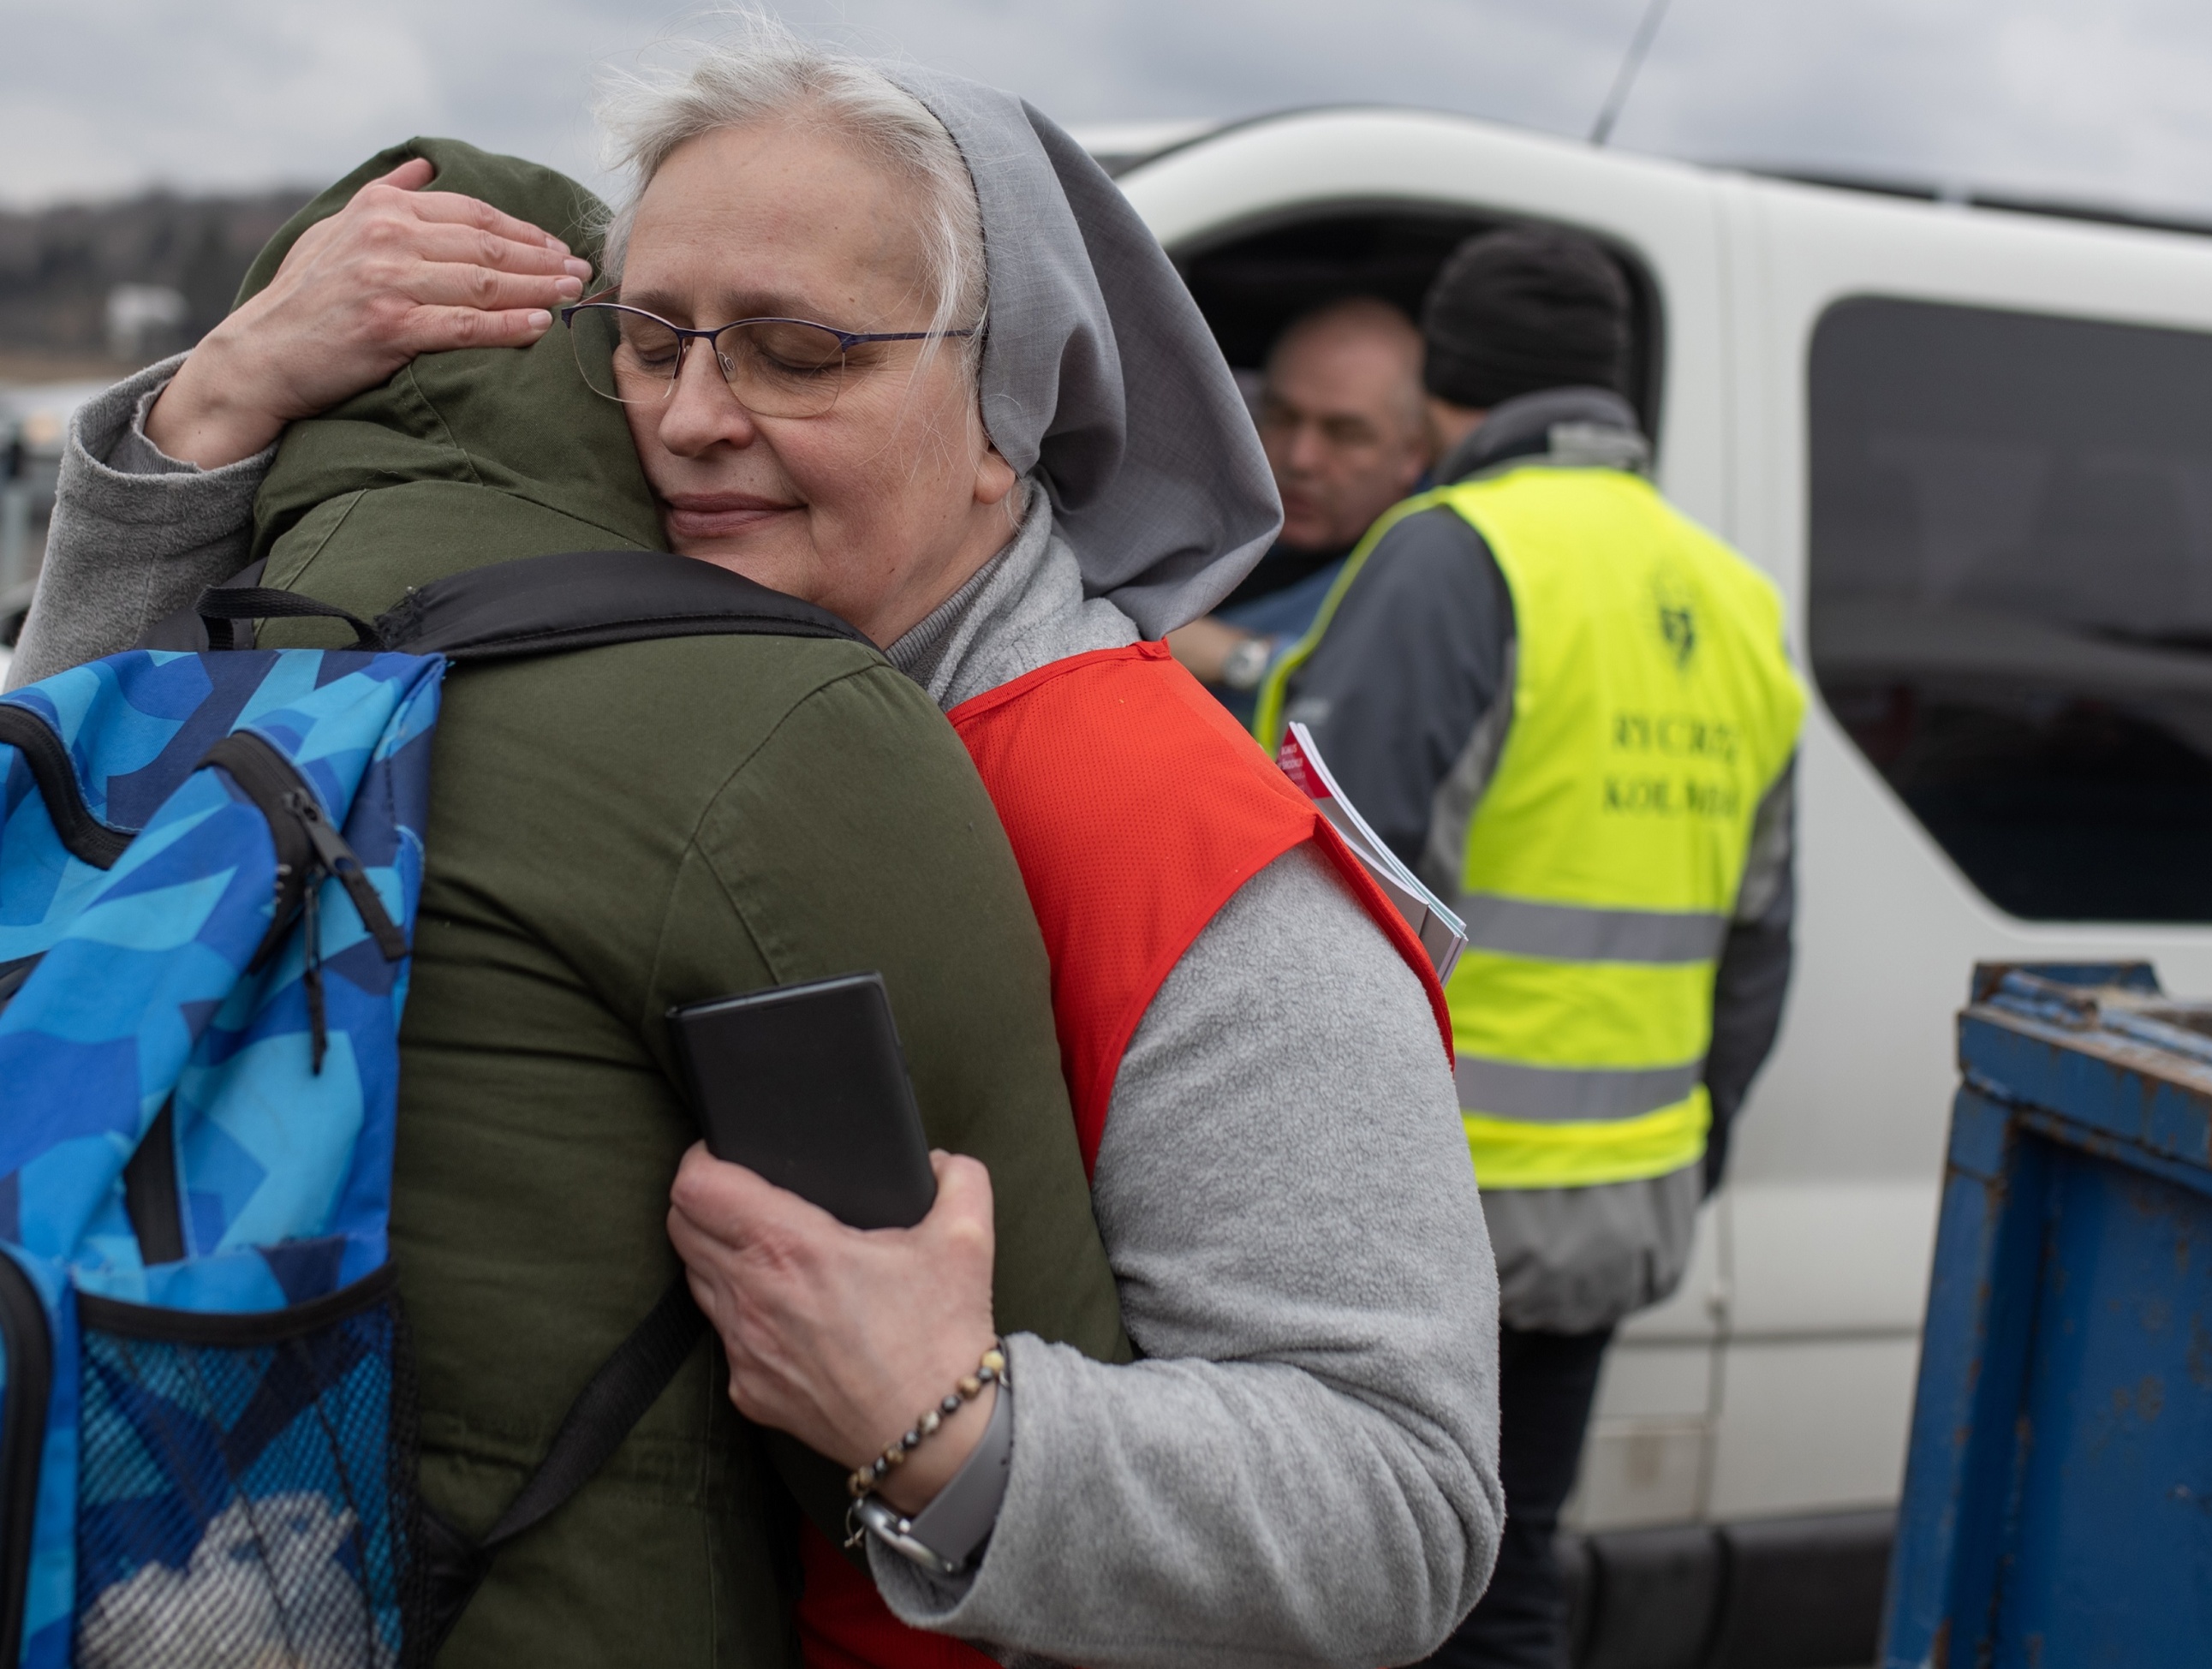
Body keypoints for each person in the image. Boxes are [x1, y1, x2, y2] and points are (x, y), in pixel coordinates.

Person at [14, 21, 1504, 1669]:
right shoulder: (621, 701)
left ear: (1016, 402)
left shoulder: (1173, 826)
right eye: (648, 341)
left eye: (800, 352)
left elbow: (1405, 1503)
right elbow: (88, 852)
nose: (691, 419)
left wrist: (949, 1430)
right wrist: (216, 401)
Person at [1253, 226, 1807, 1669]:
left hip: (1422, 1203)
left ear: (1452, 388)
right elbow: (1758, 950)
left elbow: (1334, 886)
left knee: (1345, 1588)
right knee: (1506, 1586)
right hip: (1611, 1205)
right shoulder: (1735, 599)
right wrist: (1683, 1155)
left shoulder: (1455, 552)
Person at [1166, 296, 1431, 724]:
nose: (1300, 458)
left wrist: (1239, 658)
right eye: (1282, 417)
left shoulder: (1437, 567)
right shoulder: (1190, 507)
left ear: (1413, 454)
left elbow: (1396, 707)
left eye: (1345, 434)